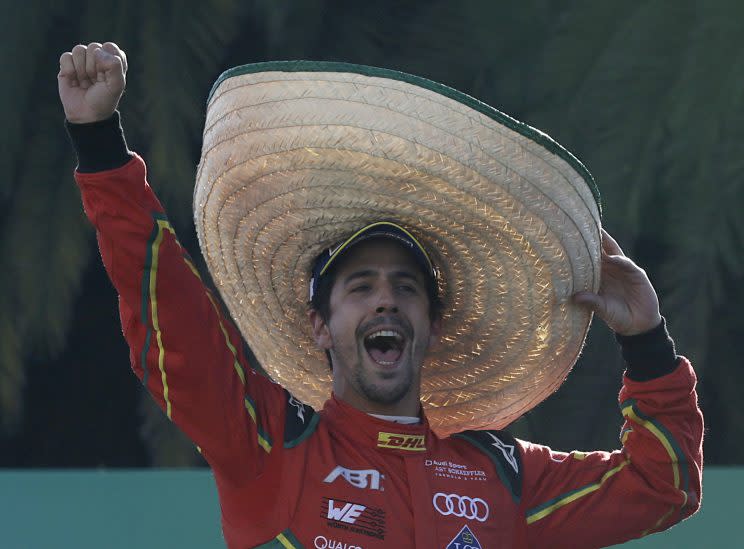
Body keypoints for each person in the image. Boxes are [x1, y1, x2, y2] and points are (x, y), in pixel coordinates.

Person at [58, 42, 703, 549]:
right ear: (319, 326)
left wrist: (645, 342)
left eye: (407, 288)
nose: (386, 301)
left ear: (434, 325)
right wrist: (100, 148)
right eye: (360, 287)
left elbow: (663, 487)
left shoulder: (504, 475)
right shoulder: (270, 446)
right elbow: (175, 323)